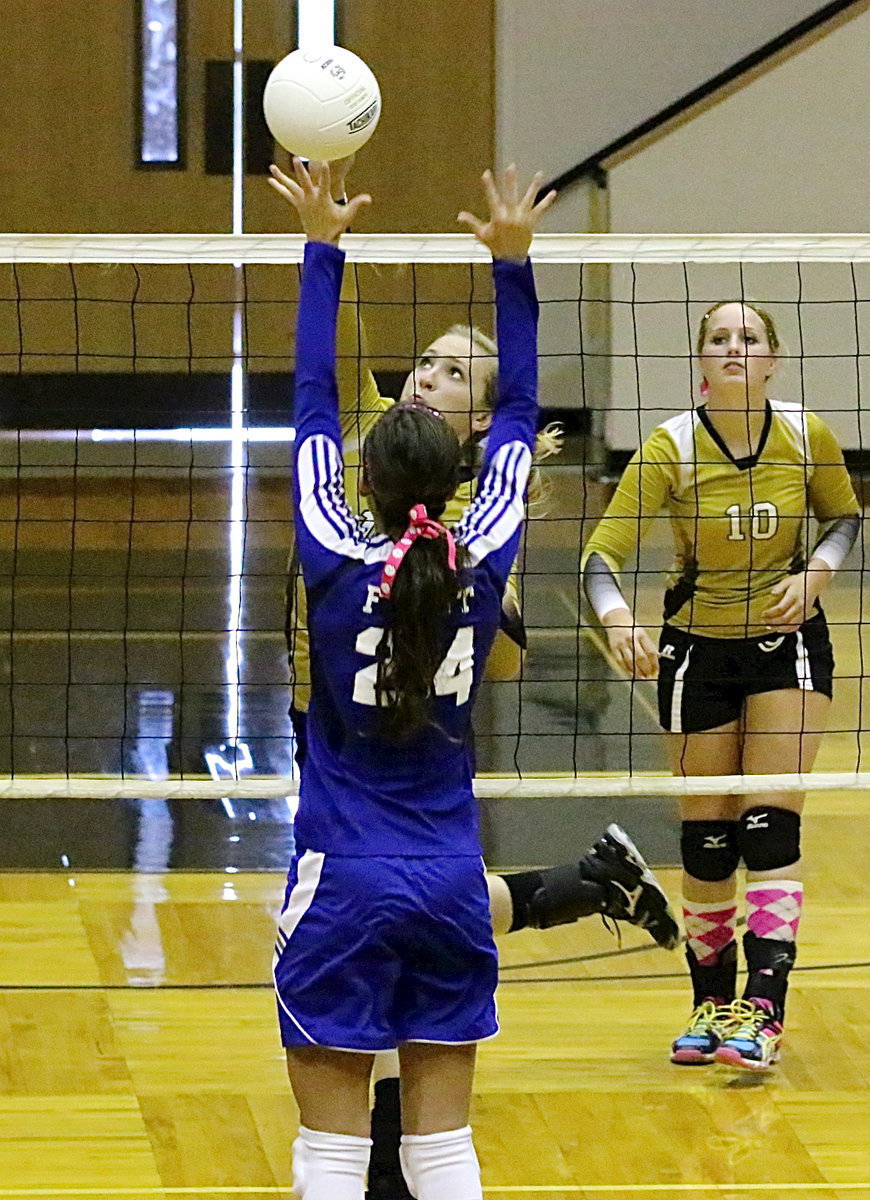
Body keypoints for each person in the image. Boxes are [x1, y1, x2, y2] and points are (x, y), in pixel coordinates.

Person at [270, 161, 680, 1197]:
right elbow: (522, 411)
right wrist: (513, 264)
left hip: (340, 879)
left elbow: (315, 398)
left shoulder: (328, 537)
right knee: (443, 1150)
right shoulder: (484, 549)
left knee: (330, 1152)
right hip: (452, 880)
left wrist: (323, 247)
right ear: (460, 480)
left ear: (363, 479)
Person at [582, 299, 860, 1072]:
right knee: (708, 840)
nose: (734, 347)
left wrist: (817, 572)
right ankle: (710, 1003)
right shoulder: (669, 447)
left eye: (749, 337)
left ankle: (763, 1015)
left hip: (787, 650)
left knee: (770, 825)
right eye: (719, 338)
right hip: (695, 653)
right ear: (701, 361)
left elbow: (844, 516)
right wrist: (614, 617)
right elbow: (601, 555)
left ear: (773, 359)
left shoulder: (807, 436)